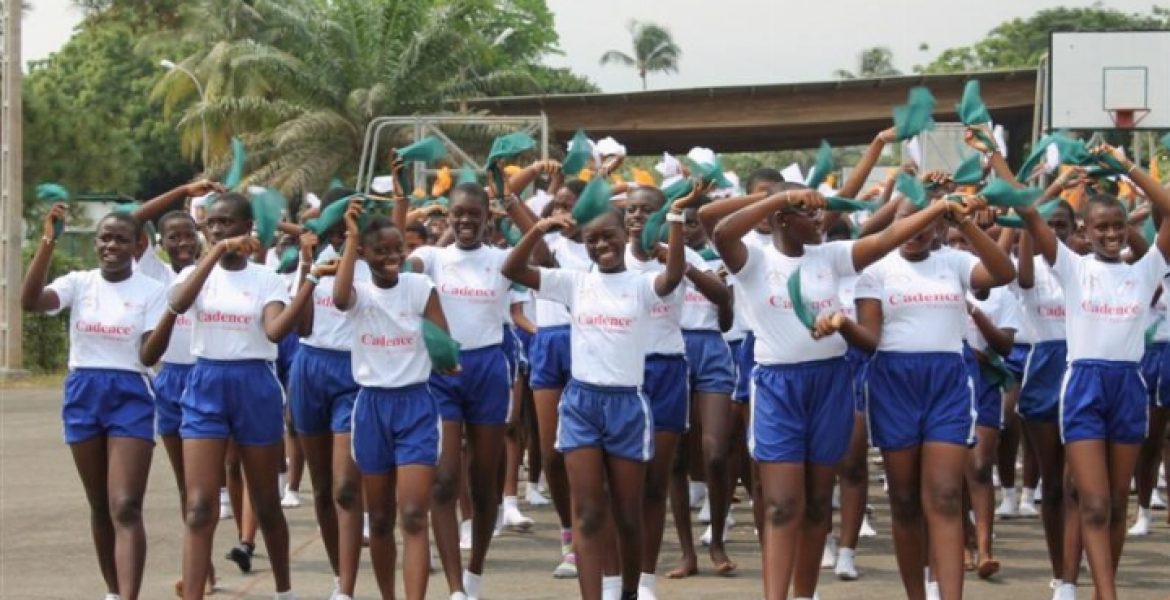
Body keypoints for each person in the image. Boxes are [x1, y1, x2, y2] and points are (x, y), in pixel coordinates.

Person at [712, 180, 997, 600]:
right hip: (777, 386)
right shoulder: (753, 261)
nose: (820, 218)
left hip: (830, 382)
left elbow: (886, 238)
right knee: (781, 506)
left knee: (815, 506)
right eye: (807, 213)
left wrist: (938, 208)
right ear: (781, 220)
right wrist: (778, 196)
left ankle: (805, 595)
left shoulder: (832, 257)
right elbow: (716, 228)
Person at [500, 180, 697, 600]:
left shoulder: (642, 285)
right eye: (592, 239)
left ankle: (626, 590)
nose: (601, 245)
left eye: (609, 237)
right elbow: (513, 270)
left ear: (626, 238)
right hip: (581, 405)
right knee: (589, 514)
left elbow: (675, 273)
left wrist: (676, 218)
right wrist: (538, 228)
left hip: (627, 405)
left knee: (627, 515)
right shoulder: (573, 282)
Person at [837, 185, 1015, 600]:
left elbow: (1003, 273)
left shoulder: (955, 261)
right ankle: (918, 593)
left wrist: (967, 222)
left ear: (937, 224)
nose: (915, 231)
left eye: (926, 220)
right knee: (903, 500)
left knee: (947, 495)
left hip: (948, 381)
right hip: (894, 382)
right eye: (906, 220)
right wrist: (844, 326)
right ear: (897, 223)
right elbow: (869, 339)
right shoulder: (875, 271)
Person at [1016, 145, 1170, 600]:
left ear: (1128, 228)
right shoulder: (1072, 267)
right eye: (1100, 226)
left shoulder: (1145, 271)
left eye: (1118, 226)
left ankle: (1105, 586)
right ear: (1083, 229)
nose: (1110, 234)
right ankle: (1101, 592)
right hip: (1083, 385)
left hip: (1127, 386)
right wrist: (1061, 184)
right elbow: (1028, 212)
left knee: (1118, 503)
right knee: (1095, 502)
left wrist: (1127, 168)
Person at [167, 192, 317, 600]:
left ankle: (284, 589)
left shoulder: (266, 279)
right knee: (199, 507)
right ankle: (194, 592)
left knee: (267, 502)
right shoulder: (196, 274)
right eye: (211, 224)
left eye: (227, 223)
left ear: (247, 228)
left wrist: (308, 276)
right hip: (205, 383)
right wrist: (213, 254)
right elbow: (179, 303)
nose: (217, 230)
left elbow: (274, 331)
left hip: (255, 384)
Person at [21, 205, 173, 600]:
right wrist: (47, 242)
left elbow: (148, 356)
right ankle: (113, 590)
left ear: (137, 245)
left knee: (124, 505)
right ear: (95, 243)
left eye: (121, 239)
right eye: (105, 238)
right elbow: (30, 301)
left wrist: (172, 316)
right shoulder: (80, 282)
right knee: (100, 506)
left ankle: (128, 596)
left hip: (130, 394)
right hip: (83, 391)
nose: (111, 245)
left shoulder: (153, 292)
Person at [404, 182, 526, 600]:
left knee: (483, 482)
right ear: (447, 216)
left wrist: (515, 203)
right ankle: (455, 587)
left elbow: (541, 257)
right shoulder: (434, 257)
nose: (465, 220)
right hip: (441, 372)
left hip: (489, 368)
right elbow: (401, 268)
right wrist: (411, 211)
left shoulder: (503, 260)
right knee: (443, 480)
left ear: (488, 217)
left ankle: (474, 574)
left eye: (474, 213)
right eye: (458, 213)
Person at [333, 201, 454, 600]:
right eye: (380, 250)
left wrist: (447, 357)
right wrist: (352, 237)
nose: (391, 257)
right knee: (380, 518)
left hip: (416, 407)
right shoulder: (360, 294)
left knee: (414, 515)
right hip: (371, 408)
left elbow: (443, 342)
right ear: (364, 254)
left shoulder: (420, 288)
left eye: (397, 248)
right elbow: (337, 297)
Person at [622, 184, 729, 600]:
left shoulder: (679, 253)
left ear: (660, 215)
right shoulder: (612, 255)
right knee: (624, 482)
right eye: (630, 209)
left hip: (669, 366)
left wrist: (681, 265)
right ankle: (622, 578)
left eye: (645, 210)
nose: (635, 216)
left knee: (657, 478)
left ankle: (646, 580)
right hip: (623, 373)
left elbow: (721, 298)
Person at [285, 190, 367, 600]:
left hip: (354, 373)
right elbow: (300, 328)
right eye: (333, 224)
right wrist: (306, 267)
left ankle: (347, 589)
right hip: (310, 368)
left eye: (346, 223)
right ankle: (338, 576)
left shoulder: (372, 262)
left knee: (346, 487)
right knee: (319, 487)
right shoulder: (311, 259)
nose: (338, 231)